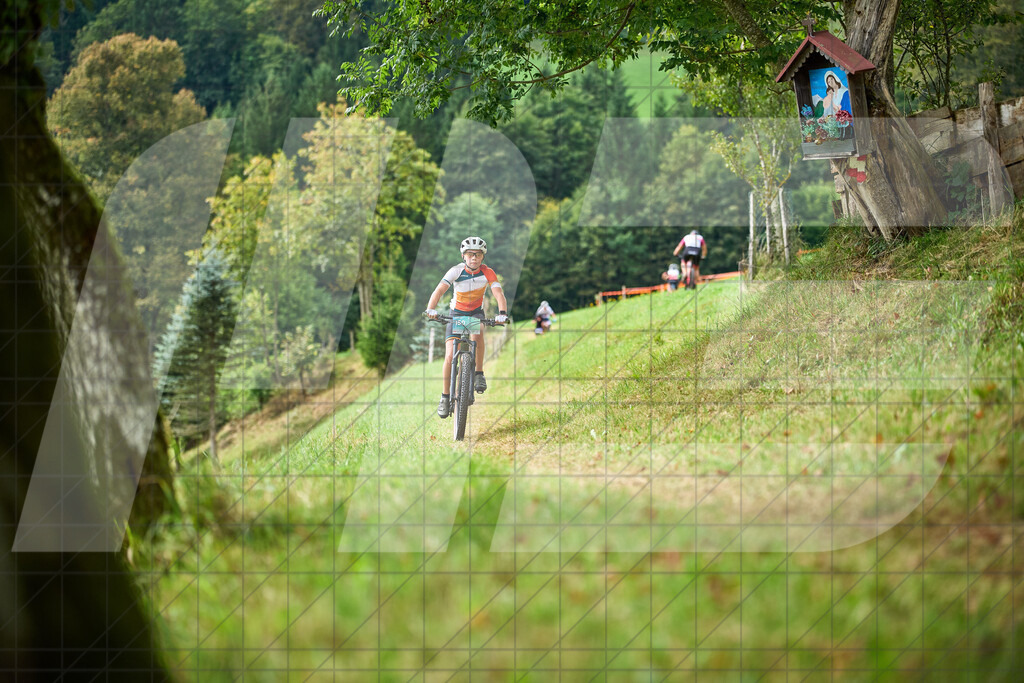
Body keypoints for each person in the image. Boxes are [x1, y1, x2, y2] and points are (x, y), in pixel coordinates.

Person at [424, 236, 508, 419]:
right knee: (448, 356)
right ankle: (445, 397)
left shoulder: (487, 272)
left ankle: (479, 373)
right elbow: (439, 290)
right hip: (456, 314)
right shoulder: (456, 271)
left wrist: (502, 313)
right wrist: (431, 309)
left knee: (478, 336)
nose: (474, 258)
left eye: (478, 255)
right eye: (470, 254)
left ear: (482, 257)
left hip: (475, 313)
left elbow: (498, 292)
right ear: (463, 256)